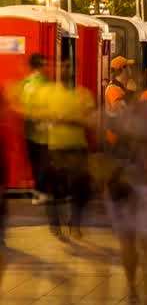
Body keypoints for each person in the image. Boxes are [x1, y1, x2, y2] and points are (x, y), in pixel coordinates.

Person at [33, 59, 96, 240]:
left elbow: (91, 122)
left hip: (78, 149)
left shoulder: (83, 95)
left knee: (81, 191)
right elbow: (38, 119)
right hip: (55, 149)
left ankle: (75, 225)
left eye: (70, 68)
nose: (67, 71)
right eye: (64, 68)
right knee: (55, 190)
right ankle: (55, 224)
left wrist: (70, 120)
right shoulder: (48, 93)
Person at [20, 55, 52, 206]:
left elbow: (22, 104)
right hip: (43, 129)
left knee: (34, 161)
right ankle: (42, 192)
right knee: (43, 162)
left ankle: (37, 191)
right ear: (40, 66)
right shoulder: (45, 82)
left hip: (29, 128)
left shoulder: (25, 83)